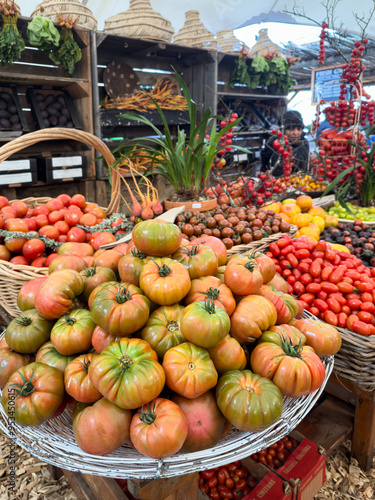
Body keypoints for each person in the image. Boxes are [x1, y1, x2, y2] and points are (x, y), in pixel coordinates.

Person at [261, 110, 310, 177]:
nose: (295, 133)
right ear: (283, 130)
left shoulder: (304, 144)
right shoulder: (275, 145)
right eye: (291, 129)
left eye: (299, 129)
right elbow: (265, 169)